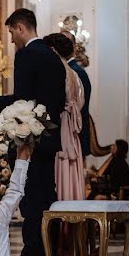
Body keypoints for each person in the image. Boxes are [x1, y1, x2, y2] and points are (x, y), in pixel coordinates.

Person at [0, 9, 65, 256]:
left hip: (30, 139)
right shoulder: (54, 57)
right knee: (46, 199)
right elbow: (52, 100)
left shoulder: (27, 55)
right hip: (50, 136)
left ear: (20, 28)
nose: (11, 39)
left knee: (30, 202)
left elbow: (23, 100)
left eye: (11, 32)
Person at [44, 33, 84, 201]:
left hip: (61, 128)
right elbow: (80, 102)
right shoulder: (74, 74)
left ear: (52, 50)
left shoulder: (58, 72)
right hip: (72, 132)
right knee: (70, 169)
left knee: (60, 165)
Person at [60, 31, 91, 158]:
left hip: (74, 135)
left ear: (73, 47)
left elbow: (79, 107)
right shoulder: (65, 69)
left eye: (65, 42)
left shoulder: (76, 71)